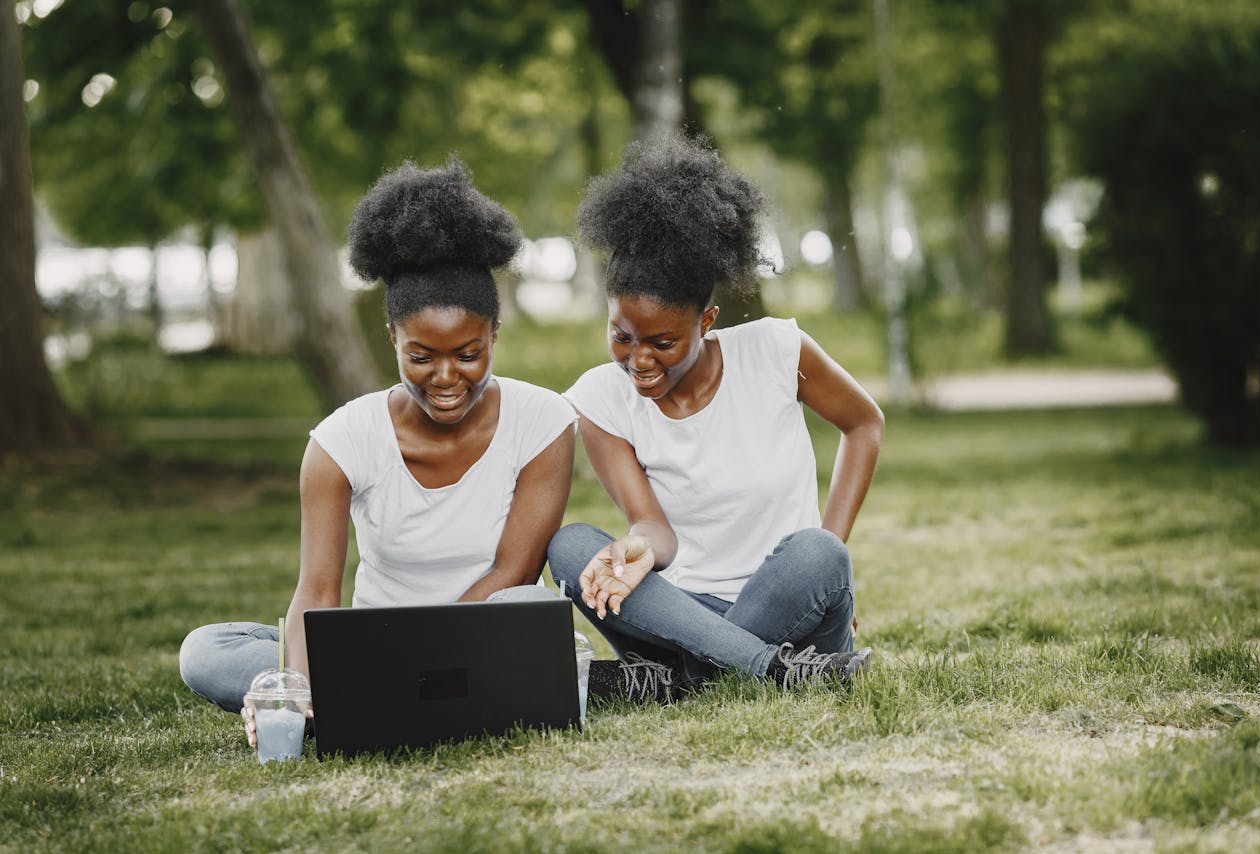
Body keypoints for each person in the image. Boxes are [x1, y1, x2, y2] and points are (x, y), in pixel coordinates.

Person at [179, 159, 576, 742]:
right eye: (421, 356)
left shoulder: (544, 421)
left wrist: (418, 658)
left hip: (484, 635)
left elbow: (512, 570)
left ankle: (371, 700)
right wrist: (295, 686)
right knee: (205, 651)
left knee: (518, 605)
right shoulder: (341, 441)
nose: (446, 377)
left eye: (467, 354)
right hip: (372, 640)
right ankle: (361, 697)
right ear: (392, 337)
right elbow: (317, 593)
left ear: (494, 334)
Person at [548, 136, 883, 700]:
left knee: (819, 553)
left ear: (707, 321)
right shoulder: (600, 398)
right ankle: (768, 671)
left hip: (790, 605)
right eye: (621, 337)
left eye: (662, 342)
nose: (639, 360)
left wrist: (833, 556)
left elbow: (864, 424)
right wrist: (640, 550)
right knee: (571, 545)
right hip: (680, 611)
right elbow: (655, 530)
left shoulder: (777, 350)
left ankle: (669, 683)